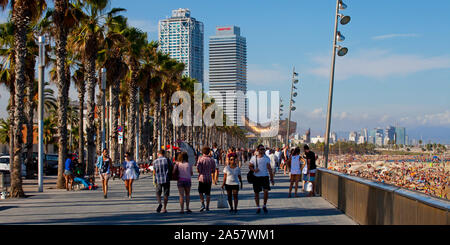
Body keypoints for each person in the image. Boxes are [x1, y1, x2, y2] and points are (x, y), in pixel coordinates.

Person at [249, 144, 274, 214]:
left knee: (266, 191)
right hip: (256, 177)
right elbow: (250, 166)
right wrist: (254, 170)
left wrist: (272, 179)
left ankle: (264, 205)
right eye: (261, 149)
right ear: (257, 150)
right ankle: (258, 207)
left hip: (265, 177)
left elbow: (269, 169)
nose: (263, 150)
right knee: (256, 193)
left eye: (263, 149)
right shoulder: (253, 158)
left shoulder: (266, 158)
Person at [197, 146, 216, 212]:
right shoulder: (212, 160)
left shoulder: (200, 159)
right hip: (209, 178)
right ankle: (207, 206)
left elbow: (198, 169)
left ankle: (202, 203)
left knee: (200, 191)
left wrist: (201, 172)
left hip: (202, 178)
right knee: (208, 193)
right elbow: (214, 170)